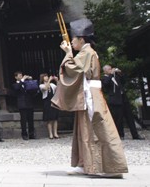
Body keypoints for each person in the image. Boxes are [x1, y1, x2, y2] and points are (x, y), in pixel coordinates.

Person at [51, 18, 128, 178]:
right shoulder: (87, 52)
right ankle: (84, 162)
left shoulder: (87, 52)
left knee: (94, 128)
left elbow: (74, 69)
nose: (71, 42)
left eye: (73, 39)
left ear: (81, 39)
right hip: (87, 94)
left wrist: (67, 54)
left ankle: (103, 166)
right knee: (84, 129)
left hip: (90, 95)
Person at [101, 64, 143, 140]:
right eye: (109, 69)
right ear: (105, 71)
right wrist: (110, 75)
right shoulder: (104, 78)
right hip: (115, 100)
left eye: (111, 69)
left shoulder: (115, 77)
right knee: (118, 119)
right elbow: (106, 85)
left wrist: (120, 73)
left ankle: (135, 135)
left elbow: (123, 81)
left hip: (123, 98)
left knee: (130, 117)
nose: (111, 70)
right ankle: (120, 135)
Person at [11, 71, 37, 140]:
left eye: (21, 75)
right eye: (19, 75)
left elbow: (32, 90)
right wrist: (22, 80)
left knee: (31, 120)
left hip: (29, 103)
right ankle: (24, 134)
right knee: (23, 120)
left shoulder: (25, 83)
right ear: (16, 77)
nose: (21, 76)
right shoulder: (15, 84)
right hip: (22, 104)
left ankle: (31, 134)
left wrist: (30, 80)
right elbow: (17, 89)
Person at [39, 73, 59, 139]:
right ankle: (50, 134)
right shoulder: (41, 85)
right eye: (45, 77)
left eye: (47, 76)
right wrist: (49, 80)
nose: (47, 77)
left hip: (53, 101)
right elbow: (46, 88)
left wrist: (57, 81)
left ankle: (55, 133)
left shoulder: (52, 85)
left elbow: (58, 88)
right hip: (47, 102)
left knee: (55, 118)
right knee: (49, 119)